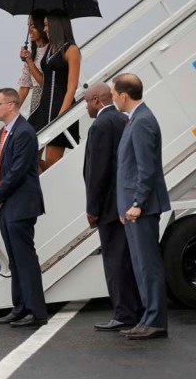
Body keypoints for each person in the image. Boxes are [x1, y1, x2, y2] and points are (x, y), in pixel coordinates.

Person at [112, 73, 170, 340]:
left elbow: (146, 170)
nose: (113, 98)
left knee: (148, 265)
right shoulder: (135, 119)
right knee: (140, 265)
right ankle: (148, 318)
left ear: (124, 95)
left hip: (142, 208)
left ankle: (155, 320)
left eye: (114, 93)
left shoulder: (143, 121)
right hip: (134, 208)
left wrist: (137, 204)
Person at [83, 83, 142, 331]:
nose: (85, 106)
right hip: (123, 202)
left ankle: (123, 314)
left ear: (97, 100)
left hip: (107, 206)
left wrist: (92, 208)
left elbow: (98, 172)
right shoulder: (124, 119)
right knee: (127, 259)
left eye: (86, 101)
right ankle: (134, 309)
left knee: (114, 261)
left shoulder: (100, 125)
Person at [0, 88, 48, 328]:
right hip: (8, 204)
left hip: (20, 204)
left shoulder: (24, 132)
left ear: (11, 105)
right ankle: (20, 307)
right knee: (15, 259)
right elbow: (0, 168)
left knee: (25, 259)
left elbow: (18, 171)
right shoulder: (5, 132)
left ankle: (36, 312)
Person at [27, 9, 81, 171]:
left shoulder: (71, 50)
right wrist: (29, 61)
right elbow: (45, 81)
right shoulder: (50, 48)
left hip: (60, 109)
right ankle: (40, 190)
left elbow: (72, 87)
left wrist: (61, 117)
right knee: (28, 156)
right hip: (43, 110)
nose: (44, 29)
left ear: (57, 25)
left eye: (46, 25)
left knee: (52, 163)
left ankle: (49, 191)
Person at [17, 10, 48, 114]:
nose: (29, 30)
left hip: (47, 99)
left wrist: (29, 61)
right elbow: (24, 87)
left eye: (33, 26)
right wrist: (12, 112)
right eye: (28, 26)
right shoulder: (32, 54)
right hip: (35, 101)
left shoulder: (51, 50)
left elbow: (44, 83)